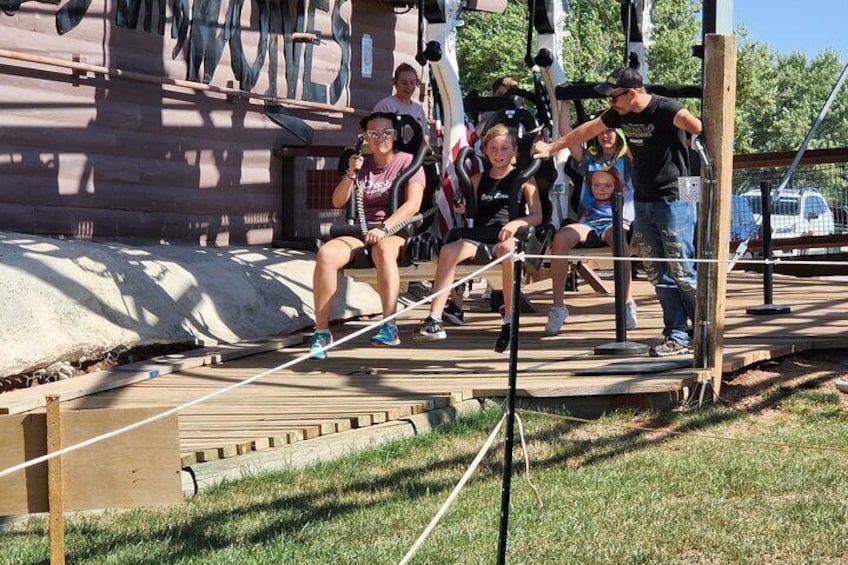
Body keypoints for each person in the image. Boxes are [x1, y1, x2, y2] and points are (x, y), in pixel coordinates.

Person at [533, 67, 702, 357]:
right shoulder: (620, 114)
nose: (610, 104)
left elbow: (697, 125)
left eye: (613, 98)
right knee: (657, 272)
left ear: (632, 93)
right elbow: (587, 130)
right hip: (644, 203)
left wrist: (696, 144)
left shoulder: (666, 108)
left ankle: (703, 327)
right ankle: (676, 333)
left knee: (682, 269)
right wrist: (552, 147)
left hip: (675, 199)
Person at [310, 112, 426, 359]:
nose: (379, 138)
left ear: (394, 135)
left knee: (383, 250)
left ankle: (389, 325)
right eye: (373, 134)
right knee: (326, 254)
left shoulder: (408, 162)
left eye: (385, 133)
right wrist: (351, 173)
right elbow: (338, 201)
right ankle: (321, 332)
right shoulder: (361, 164)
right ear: (365, 138)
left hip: (394, 230)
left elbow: (413, 205)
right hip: (361, 230)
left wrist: (384, 228)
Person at [417, 124, 542, 353]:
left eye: (505, 149)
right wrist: (461, 207)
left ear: (514, 151)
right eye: (493, 149)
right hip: (481, 235)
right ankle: (435, 317)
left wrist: (516, 223)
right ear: (485, 151)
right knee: (448, 250)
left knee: (507, 250)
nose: (499, 154)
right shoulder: (476, 179)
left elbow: (537, 215)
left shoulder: (524, 179)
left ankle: (508, 320)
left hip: (508, 235)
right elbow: (466, 210)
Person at [545, 126, 638, 335]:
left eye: (611, 131)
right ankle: (558, 307)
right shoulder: (589, 159)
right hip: (590, 221)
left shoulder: (628, 160)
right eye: (601, 131)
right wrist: (564, 101)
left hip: (618, 219)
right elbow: (566, 133)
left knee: (618, 239)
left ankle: (626, 302)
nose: (605, 135)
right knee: (560, 238)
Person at [373, 63, 428, 137]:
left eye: (412, 83)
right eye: (404, 83)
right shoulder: (385, 107)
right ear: (395, 83)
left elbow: (424, 137)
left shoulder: (418, 109)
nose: (408, 87)